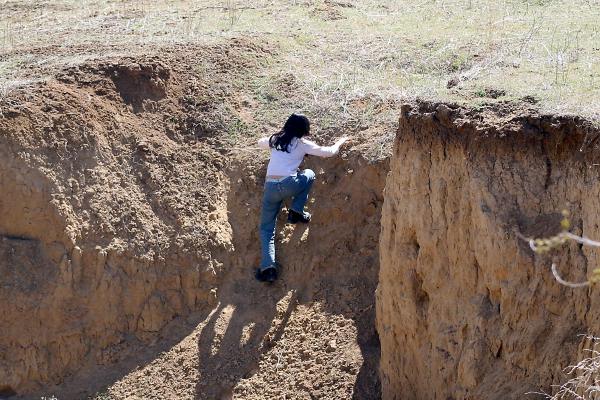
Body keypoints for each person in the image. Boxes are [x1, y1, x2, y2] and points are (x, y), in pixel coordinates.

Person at [255, 113, 349, 282]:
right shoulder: (302, 144)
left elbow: (260, 142)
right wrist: (341, 141)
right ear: (303, 130)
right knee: (309, 174)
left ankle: (268, 269)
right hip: (290, 184)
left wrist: (276, 137)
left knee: (266, 228)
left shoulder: (276, 140)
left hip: (270, 187)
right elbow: (329, 152)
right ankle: (296, 211)